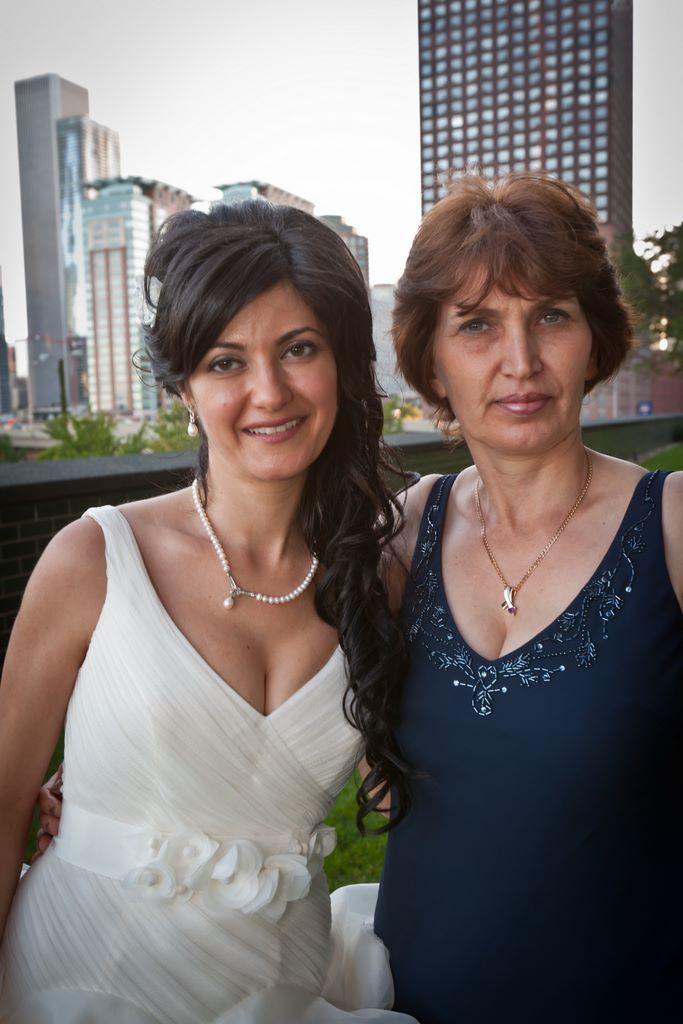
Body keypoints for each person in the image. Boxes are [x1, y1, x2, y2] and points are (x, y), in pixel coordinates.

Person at [0, 201, 418, 1024]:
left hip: (283, 988)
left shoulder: (381, 577)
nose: (269, 392)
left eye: (298, 348)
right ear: (182, 387)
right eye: (226, 362)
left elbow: (413, 789)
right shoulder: (94, 560)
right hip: (79, 978)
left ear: (340, 363)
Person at [372, 172, 683, 1023]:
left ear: (593, 337)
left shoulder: (670, 525)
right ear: (431, 360)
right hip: (410, 1003)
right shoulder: (400, 531)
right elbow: (275, 689)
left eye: (550, 315)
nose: (520, 361)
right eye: (476, 324)